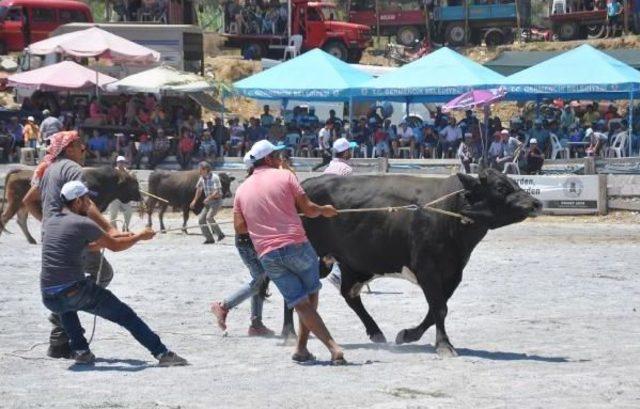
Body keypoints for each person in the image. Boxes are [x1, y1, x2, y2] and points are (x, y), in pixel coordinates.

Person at [40, 180, 187, 366]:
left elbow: (89, 245)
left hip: (49, 297)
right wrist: (140, 237)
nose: (91, 204)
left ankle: (81, 351)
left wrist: (127, 236)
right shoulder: (83, 223)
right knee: (125, 315)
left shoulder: (51, 222)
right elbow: (115, 247)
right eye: (87, 200)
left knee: (66, 308)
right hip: (74, 292)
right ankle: (162, 353)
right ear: (77, 202)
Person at [233, 140, 345, 364]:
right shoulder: (285, 176)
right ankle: (333, 347)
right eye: (276, 155)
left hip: (268, 255)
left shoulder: (242, 189)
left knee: (299, 303)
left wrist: (261, 223)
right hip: (296, 246)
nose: (280, 158)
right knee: (311, 294)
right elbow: (310, 210)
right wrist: (325, 210)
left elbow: (239, 228)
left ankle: (302, 349)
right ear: (268, 159)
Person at [23, 131, 119, 359]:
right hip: (73, 238)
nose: (85, 150)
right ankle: (61, 324)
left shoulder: (49, 170)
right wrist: (110, 229)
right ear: (69, 149)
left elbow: (28, 201)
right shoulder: (73, 169)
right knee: (101, 275)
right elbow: (86, 204)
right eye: (80, 146)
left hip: (54, 240)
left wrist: (50, 225)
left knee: (69, 284)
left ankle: (59, 340)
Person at [210, 153, 279, 337]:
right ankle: (224, 305)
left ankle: (256, 324)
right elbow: (240, 227)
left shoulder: (259, 185)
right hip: (248, 243)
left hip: (257, 242)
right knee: (261, 279)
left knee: (261, 279)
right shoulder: (249, 188)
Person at [191, 161, 225, 244]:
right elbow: (199, 189)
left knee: (209, 217)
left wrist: (208, 198)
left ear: (205, 169)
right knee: (201, 220)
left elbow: (216, 191)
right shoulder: (201, 178)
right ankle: (209, 239)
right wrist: (194, 200)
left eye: (200, 169)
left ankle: (220, 234)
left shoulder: (215, 177)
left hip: (216, 201)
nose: (199, 171)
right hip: (208, 202)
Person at [108, 156, 134, 231]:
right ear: (117, 163)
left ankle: (125, 227)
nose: (121, 164)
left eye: (122, 162)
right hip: (114, 197)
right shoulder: (112, 172)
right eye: (119, 162)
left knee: (129, 212)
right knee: (113, 215)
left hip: (125, 197)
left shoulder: (129, 173)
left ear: (125, 163)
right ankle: (114, 229)